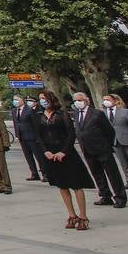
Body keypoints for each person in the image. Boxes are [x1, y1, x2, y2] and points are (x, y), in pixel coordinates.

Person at [37, 91, 95, 230]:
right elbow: (38, 136)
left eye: (44, 98)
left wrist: (63, 151)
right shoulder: (39, 116)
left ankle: (83, 216)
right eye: (40, 99)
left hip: (66, 153)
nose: (42, 101)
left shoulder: (61, 114)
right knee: (62, 186)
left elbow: (71, 134)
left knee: (76, 185)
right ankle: (72, 214)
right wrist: (45, 151)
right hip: (50, 154)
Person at [73, 92, 125, 209]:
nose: (77, 103)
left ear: (86, 100)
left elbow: (110, 131)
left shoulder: (97, 114)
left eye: (80, 100)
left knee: (112, 174)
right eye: (75, 101)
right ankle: (105, 195)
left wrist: (107, 145)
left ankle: (120, 197)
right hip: (87, 149)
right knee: (97, 174)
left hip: (102, 149)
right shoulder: (76, 113)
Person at [11, 94, 47, 181]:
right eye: (14, 99)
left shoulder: (29, 110)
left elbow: (36, 125)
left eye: (17, 99)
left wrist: (38, 137)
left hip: (32, 137)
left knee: (39, 156)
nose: (15, 101)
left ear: (22, 100)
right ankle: (34, 173)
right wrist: (17, 135)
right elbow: (16, 123)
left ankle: (45, 174)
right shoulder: (14, 110)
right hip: (22, 137)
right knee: (28, 157)